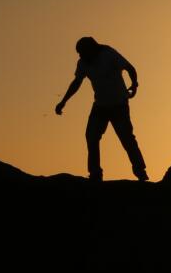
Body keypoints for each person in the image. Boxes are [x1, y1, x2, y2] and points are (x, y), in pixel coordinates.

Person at [55, 37, 148, 182]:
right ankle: (95, 173)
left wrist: (134, 84)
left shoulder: (109, 54)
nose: (80, 56)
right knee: (91, 136)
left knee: (126, 138)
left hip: (119, 105)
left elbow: (130, 68)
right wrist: (63, 101)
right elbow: (76, 82)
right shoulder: (83, 63)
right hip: (100, 106)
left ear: (91, 49)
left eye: (82, 52)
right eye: (79, 53)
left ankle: (140, 170)